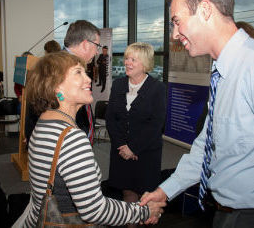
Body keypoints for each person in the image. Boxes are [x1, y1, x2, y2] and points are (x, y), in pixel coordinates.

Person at [140, 0, 254, 227]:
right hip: (223, 214)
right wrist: (166, 190)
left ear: (206, 10)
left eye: (177, 21)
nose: (174, 34)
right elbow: (206, 150)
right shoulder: (222, 74)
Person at [13, 52, 165, 227]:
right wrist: (145, 211)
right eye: (78, 73)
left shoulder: (44, 123)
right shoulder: (71, 138)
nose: (88, 80)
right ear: (56, 87)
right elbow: (94, 210)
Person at [106, 42, 166, 224]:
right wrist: (122, 147)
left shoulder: (157, 88)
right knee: (127, 191)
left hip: (145, 153)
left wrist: (133, 148)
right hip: (120, 152)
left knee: (145, 194)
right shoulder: (118, 84)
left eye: (133, 59)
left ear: (145, 63)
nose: (127, 63)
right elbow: (111, 119)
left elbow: (156, 125)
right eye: (126, 58)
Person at [63, 20, 101, 145]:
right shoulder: (59, 68)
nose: (97, 52)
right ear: (85, 44)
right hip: (68, 146)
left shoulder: (76, 65)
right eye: (97, 46)